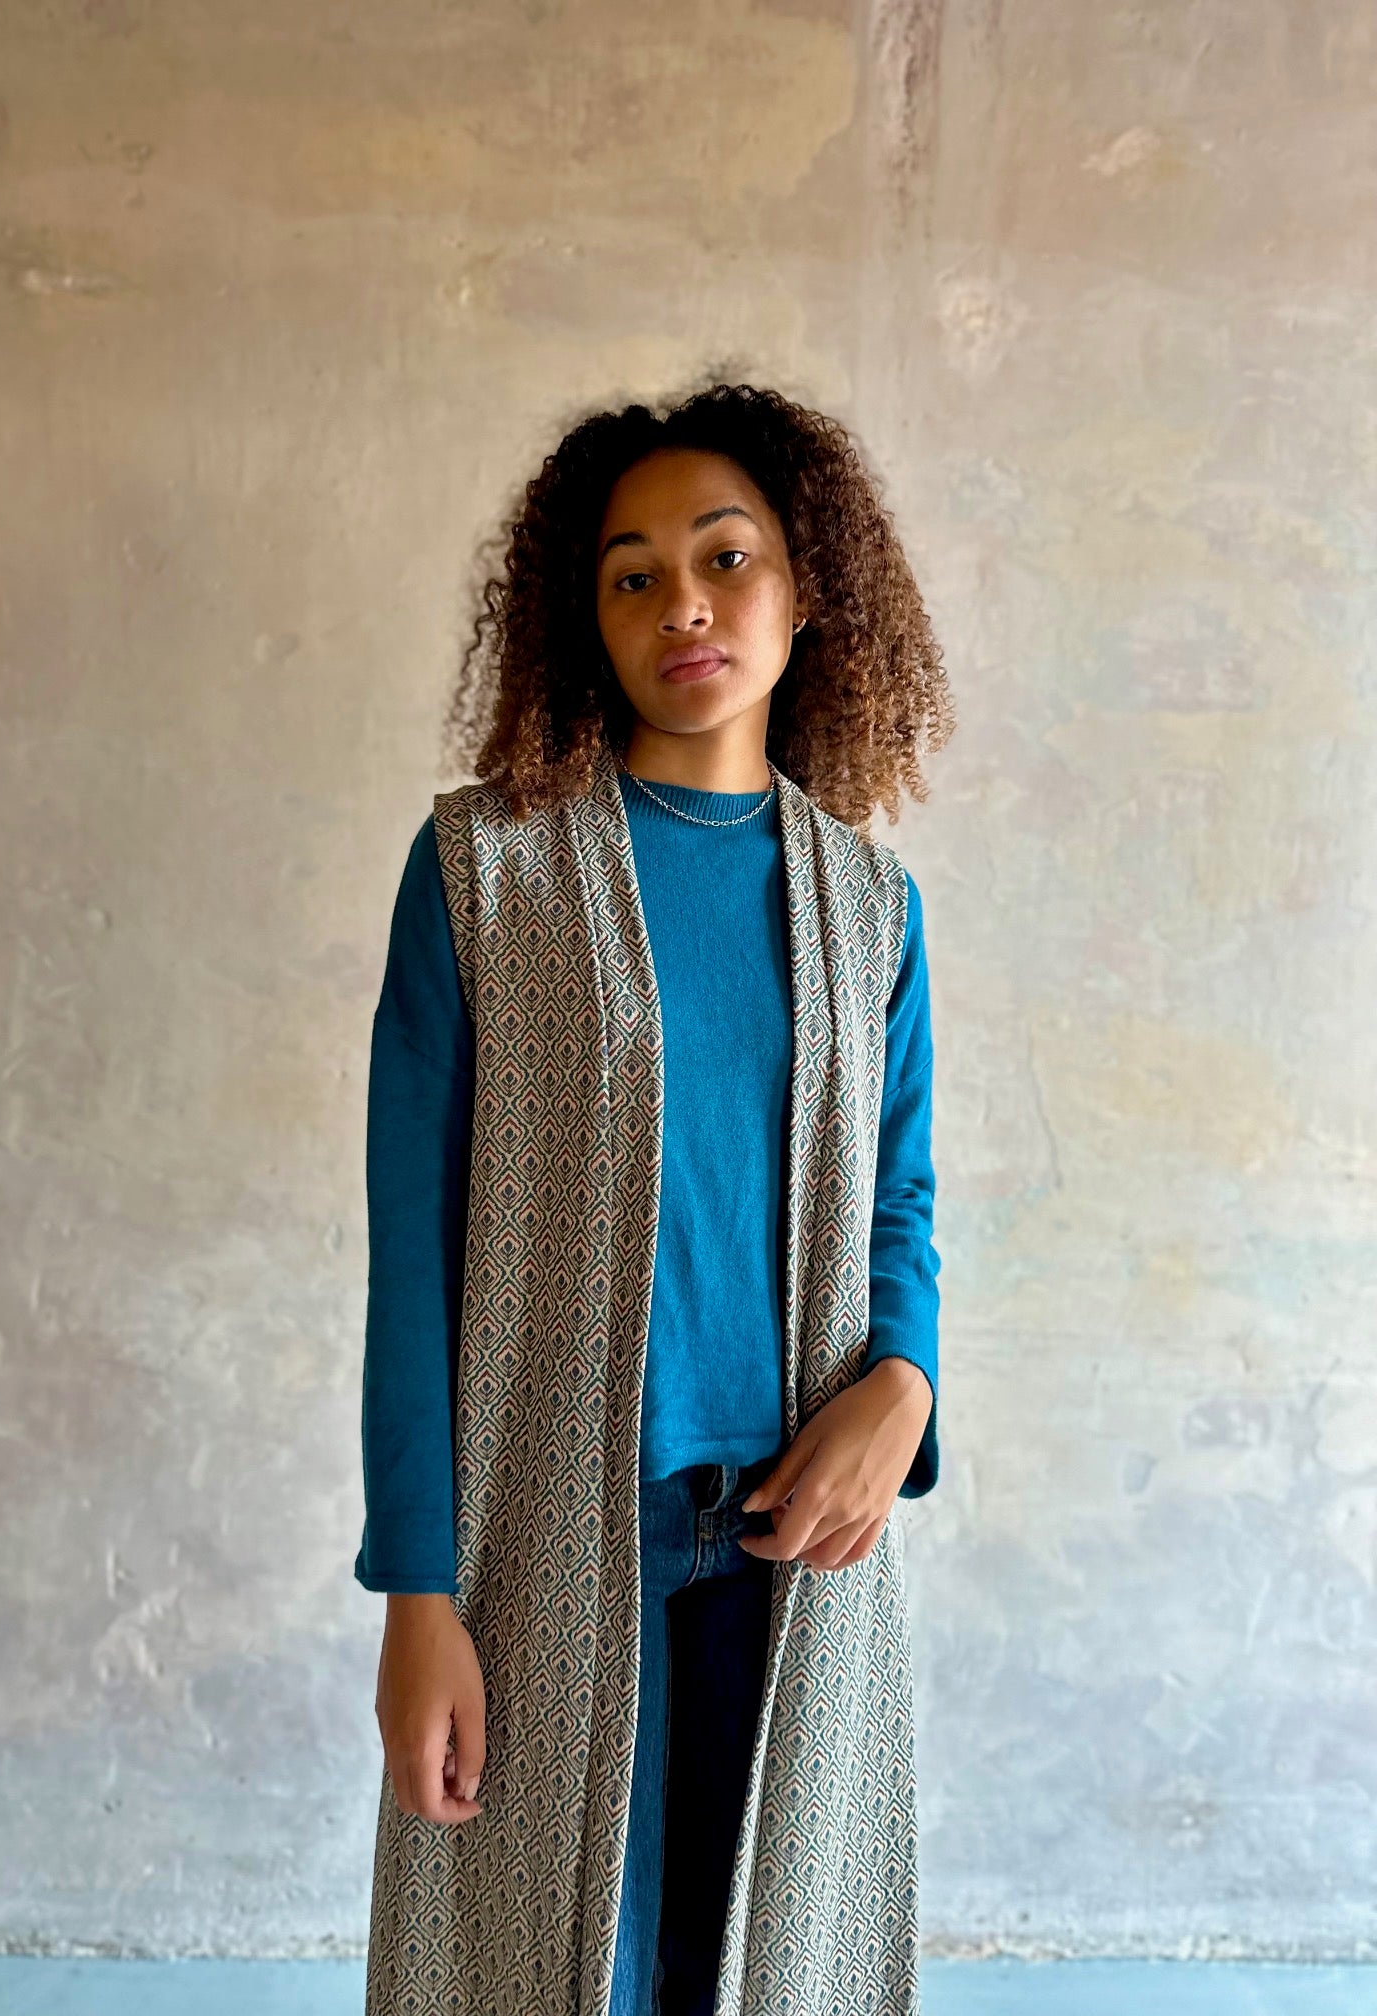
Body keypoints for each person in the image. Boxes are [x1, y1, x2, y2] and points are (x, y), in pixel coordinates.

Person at [356, 378, 956, 2016]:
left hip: (798, 1541)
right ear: (589, 619)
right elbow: (411, 1258)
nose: (683, 603)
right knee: (543, 1970)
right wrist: (418, 1595)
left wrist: (905, 1385)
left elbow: (900, 1200)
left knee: (758, 1970)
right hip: (546, 1538)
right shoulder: (486, 871)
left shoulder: (871, 903)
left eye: (725, 557)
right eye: (633, 576)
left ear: (808, 588)